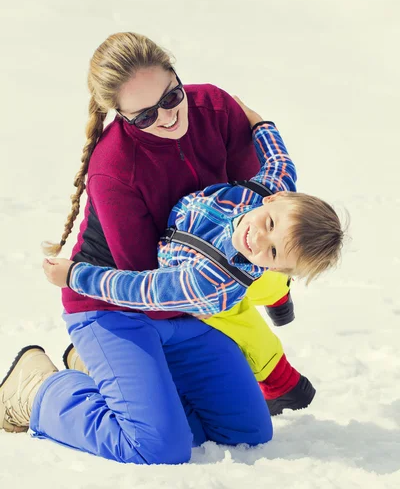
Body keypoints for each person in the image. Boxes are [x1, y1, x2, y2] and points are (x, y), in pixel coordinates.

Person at [0, 32, 292, 463]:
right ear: (118, 115)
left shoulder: (214, 107)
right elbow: (147, 286)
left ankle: (107, 376)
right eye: (144, 116)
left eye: (172, 95)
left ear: (176, 75)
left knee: (246, 432)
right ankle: (37, 388)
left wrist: (262, 127)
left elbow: (258, 194)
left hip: (185, 300)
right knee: (157, 446)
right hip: (112, 301)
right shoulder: (114, 168)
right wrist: (222, 283)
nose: (169, 117)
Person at [42, 104, 344, 413]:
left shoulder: (207, 285)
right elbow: (280, 164)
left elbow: (143, 289)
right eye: (268, 224)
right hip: (249, 267)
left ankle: (283, 383)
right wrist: (258, 122)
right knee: (261, 273)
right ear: (274, 198)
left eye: (275, 251)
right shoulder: (264, 192)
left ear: (280, 266)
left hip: (211, 279)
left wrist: (75, 277)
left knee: (237, 318)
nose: (258, 238)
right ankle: (277, 293)